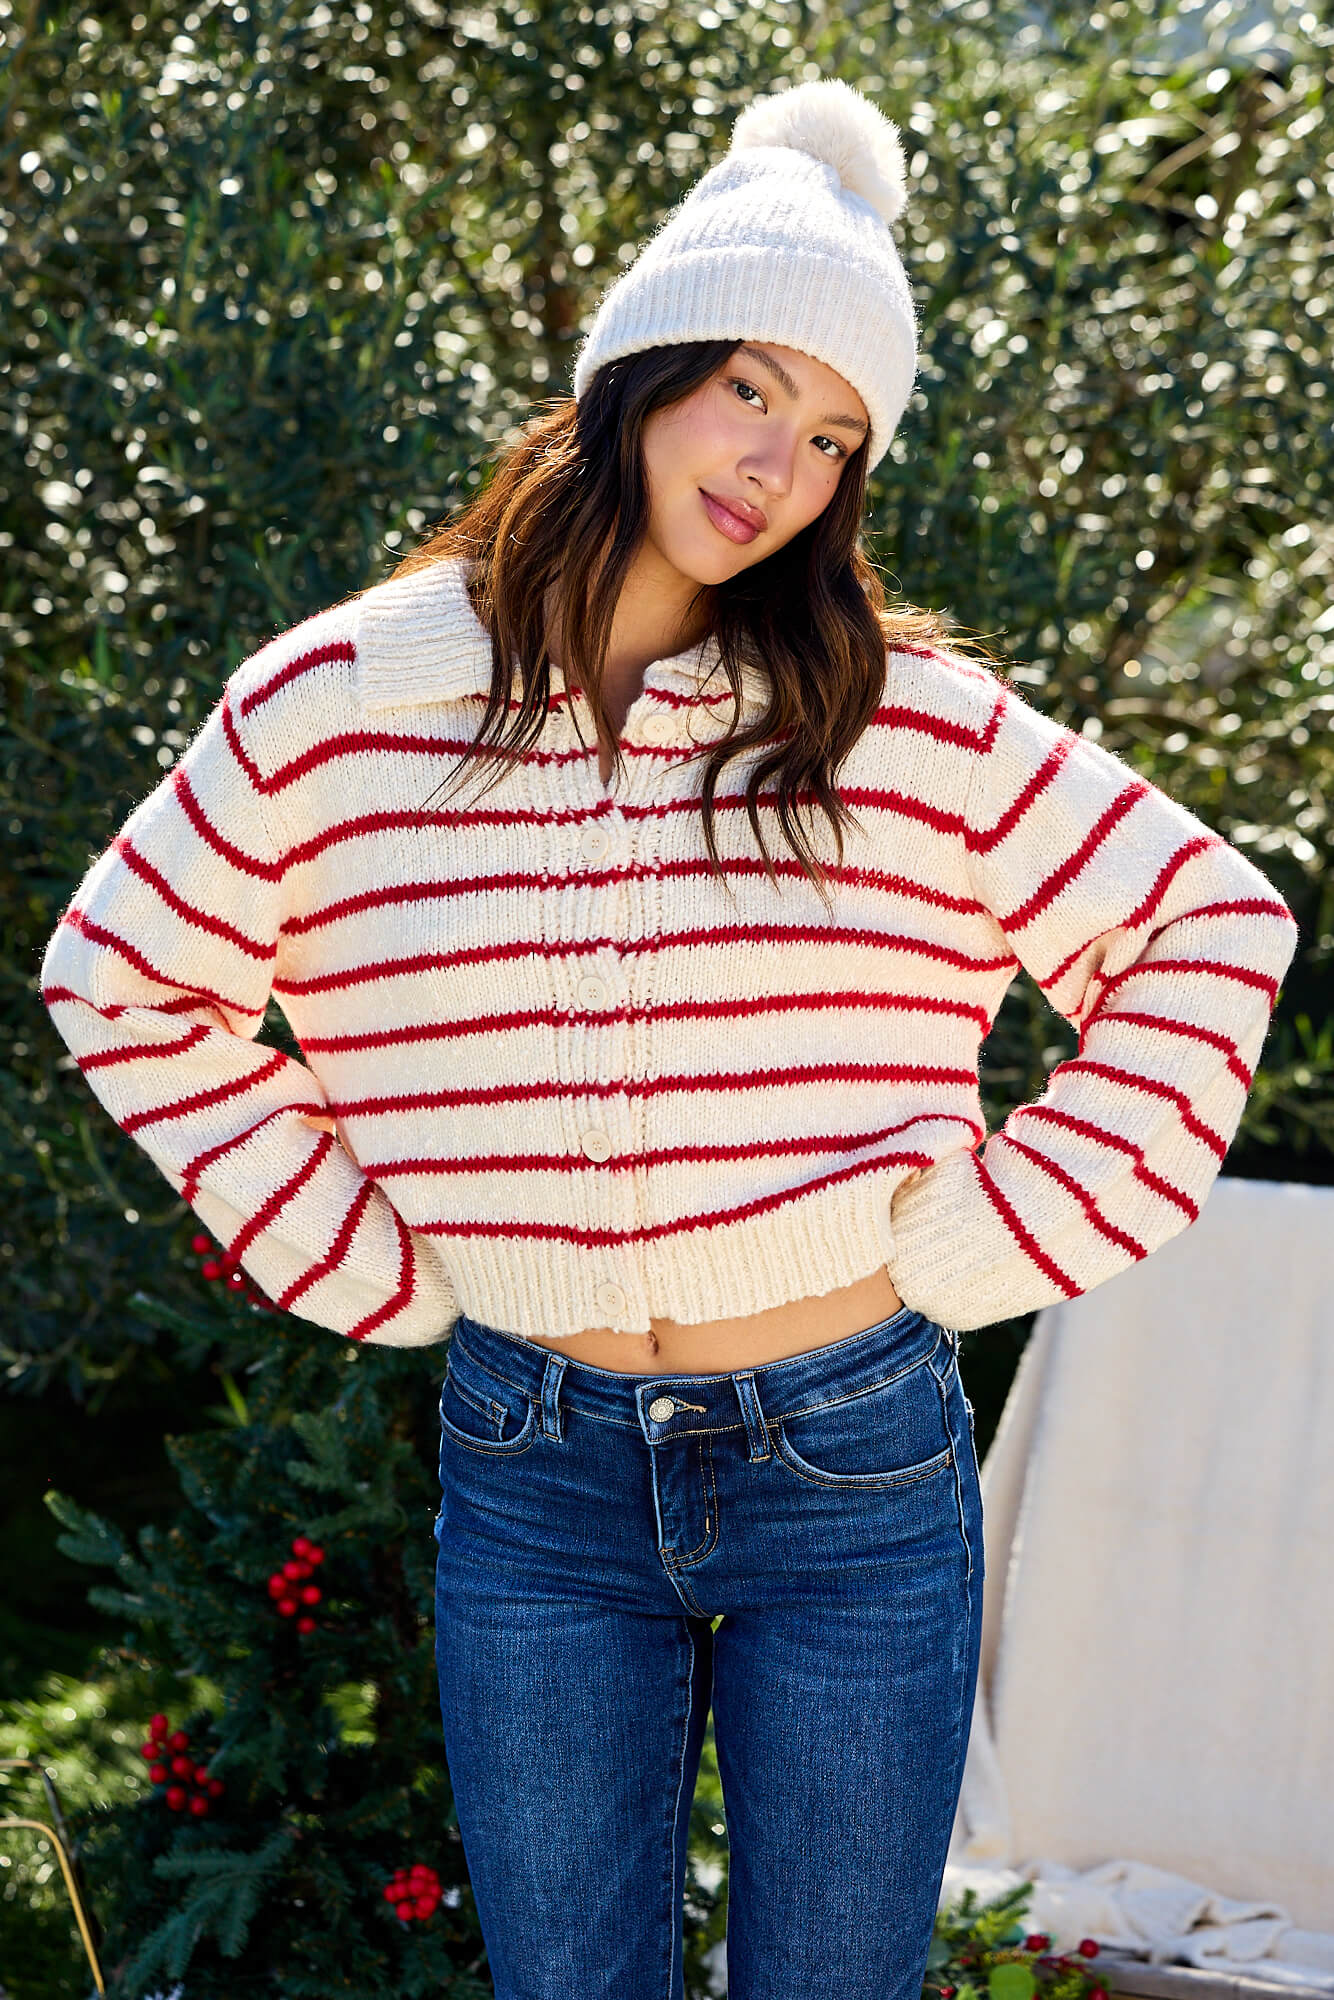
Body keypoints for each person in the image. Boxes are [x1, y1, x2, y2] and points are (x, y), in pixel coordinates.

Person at [39, 75, 1299, 2000]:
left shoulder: (896, 720)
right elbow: (124, 972)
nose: (778, 464)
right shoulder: (346, 696)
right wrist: (354, 1255)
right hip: (534, 1458)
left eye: (833, 437)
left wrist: (993, 1236)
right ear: (643, 366)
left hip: (851, 1461)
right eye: (751, 391)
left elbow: (1207, 922)